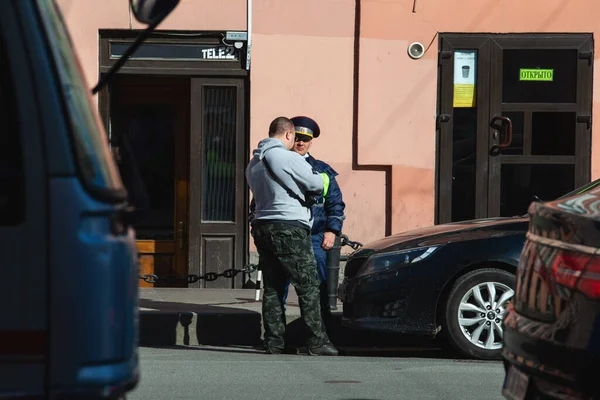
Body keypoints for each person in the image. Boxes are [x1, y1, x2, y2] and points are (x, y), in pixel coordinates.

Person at [245, 116, 338, 356]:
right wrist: (322, 180)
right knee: (308, 286)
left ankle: (274, 342)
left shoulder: (253, 162)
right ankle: (317, 342)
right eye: (294, 137)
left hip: (262, 227)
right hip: (289, 227)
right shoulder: (287, 157)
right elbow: (316, 184)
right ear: (288, 134)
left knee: (273, 288)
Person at [284, 116, 346, 318]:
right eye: (297, 138)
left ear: (311, 142)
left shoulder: (322, 170)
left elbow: (335, 204)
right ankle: (278, 331)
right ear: (290, 137)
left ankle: (319, 324)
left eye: (305, 139)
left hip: (315, 236)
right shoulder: (278, 165)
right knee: (279, 282)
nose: (300, 143)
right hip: (284, 234)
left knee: (320, 281)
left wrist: (332, 230)